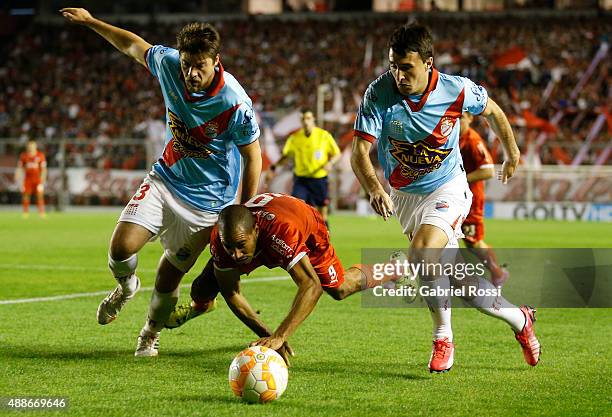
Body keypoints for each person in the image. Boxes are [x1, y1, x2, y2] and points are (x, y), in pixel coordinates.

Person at [61, 8, 262, 357]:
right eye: (187, 64)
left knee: (168, 280)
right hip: (166, 179)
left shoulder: (235, 103)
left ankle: (149, 333)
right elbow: (131, 45)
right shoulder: (169, 64)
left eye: (199, 65)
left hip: (207, 204)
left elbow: (253, 156)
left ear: (216, 61)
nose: (191, 73)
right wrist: (92, 22)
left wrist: (240, 211)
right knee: (120, 248)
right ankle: (125, 287)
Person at [351, 23, 540, 372]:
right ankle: (520, 319)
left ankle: (443, 338)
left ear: (428, 63)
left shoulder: (456, 89)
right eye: (393, 65)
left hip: (448, 187)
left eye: (406, 67)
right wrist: (375, 188)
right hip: (405, 196)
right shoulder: (378, 94)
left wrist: (511, 152)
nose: (398, 75)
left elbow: (494, 112)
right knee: (454, 278)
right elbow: (359, 152)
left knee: (423, 253)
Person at [164, 193, 398, 362]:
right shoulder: (223, 239)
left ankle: (393, 268)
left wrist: (280, 335)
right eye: (229, 246)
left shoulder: (281, 233)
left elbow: (311, 286)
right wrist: (267, 336)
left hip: (305, 227)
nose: (235, 254)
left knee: (339, 289)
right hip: (262, 227)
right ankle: (202, 305)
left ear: (255, 232)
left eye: (240, 246)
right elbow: (232, 293)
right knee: (202, 287)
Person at [266, 109, 341, 228]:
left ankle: (325, 238)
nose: (306, 122)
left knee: (323, 212)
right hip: (301, 180)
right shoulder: (294, 138)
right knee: (297, 208)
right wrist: (274, 167)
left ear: (313, 119)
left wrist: (330, 163)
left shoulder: (324, 136)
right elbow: (285, 157)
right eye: (303, 119)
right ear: (300, 121)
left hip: (319, 179)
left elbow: (337, 153)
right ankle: (301, 236)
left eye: (308, 118)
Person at [458, 112, 508, 287]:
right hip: (456, 198)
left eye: (461, 118)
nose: (457, 121)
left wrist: (461, 180)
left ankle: (498, 273)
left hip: (470, 201)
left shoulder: (473, 141)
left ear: (470, 118)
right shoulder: (453, 138)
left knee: (473, 241)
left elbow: (488, 171)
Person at [15, 140, 47, 218]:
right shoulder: (24, 156)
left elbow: (44, 169)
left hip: (37, 179)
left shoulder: (40, 155)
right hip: (27, 179)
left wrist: (42, 180)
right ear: (27, 147)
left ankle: (41, 212)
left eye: (32, 146)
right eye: (29, 146)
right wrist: (17, 176)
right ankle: (25, 212)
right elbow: (19, 167)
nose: (31, 147)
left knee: (39, 195)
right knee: (26, 195)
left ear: (35, 147)